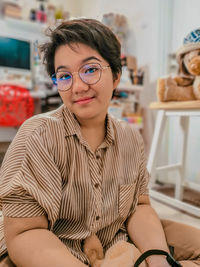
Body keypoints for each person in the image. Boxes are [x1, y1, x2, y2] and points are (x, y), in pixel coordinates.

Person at [0, 18, 199, 267]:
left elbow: (139, 206)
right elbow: (24, 232)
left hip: (114, 237)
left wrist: (157, 259)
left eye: (90, 70)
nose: (78, 86)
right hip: (53, 249)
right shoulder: (38, 136)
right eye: (64, 76)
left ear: (116, 75)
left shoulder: (130, 138)